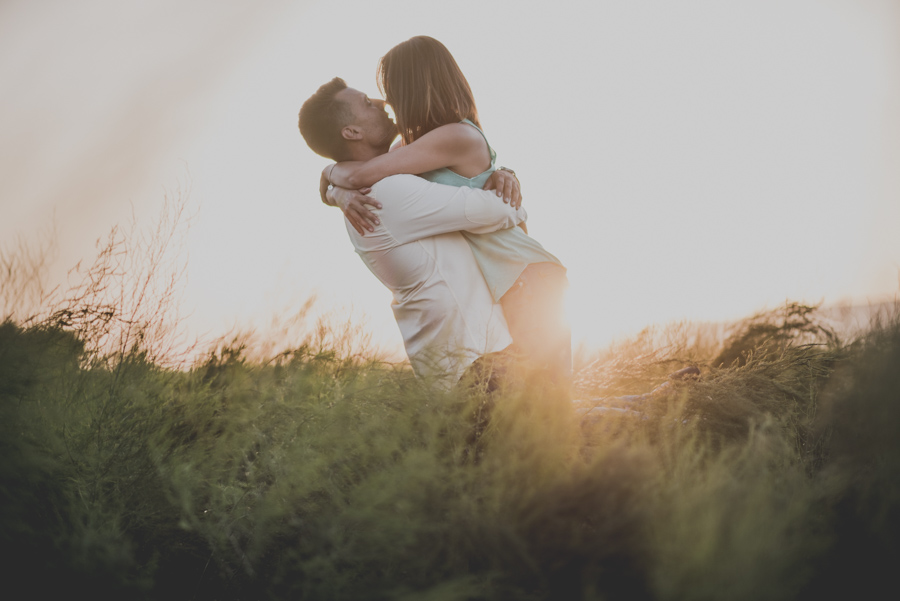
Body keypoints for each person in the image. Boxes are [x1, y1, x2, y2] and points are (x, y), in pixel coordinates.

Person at [319, 36, 571, 393]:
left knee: (547, 403)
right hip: (503, 279)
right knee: (535, 404)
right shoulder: (412, 147)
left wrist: (333, 181)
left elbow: (361, 175)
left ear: (414, 88)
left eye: (391, 89)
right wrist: (335, 191)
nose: (387, 101)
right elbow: (365, 171)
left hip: (523, 276)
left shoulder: (455, 136)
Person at [299, 77, 525, 387]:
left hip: (465, 369)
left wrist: (332, 180)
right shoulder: (386, 192)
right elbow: (506, 211)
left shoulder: (371, 189)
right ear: (352, 132)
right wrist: (500, 178)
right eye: (366, 103)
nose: (381, 102)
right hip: (478, 370)